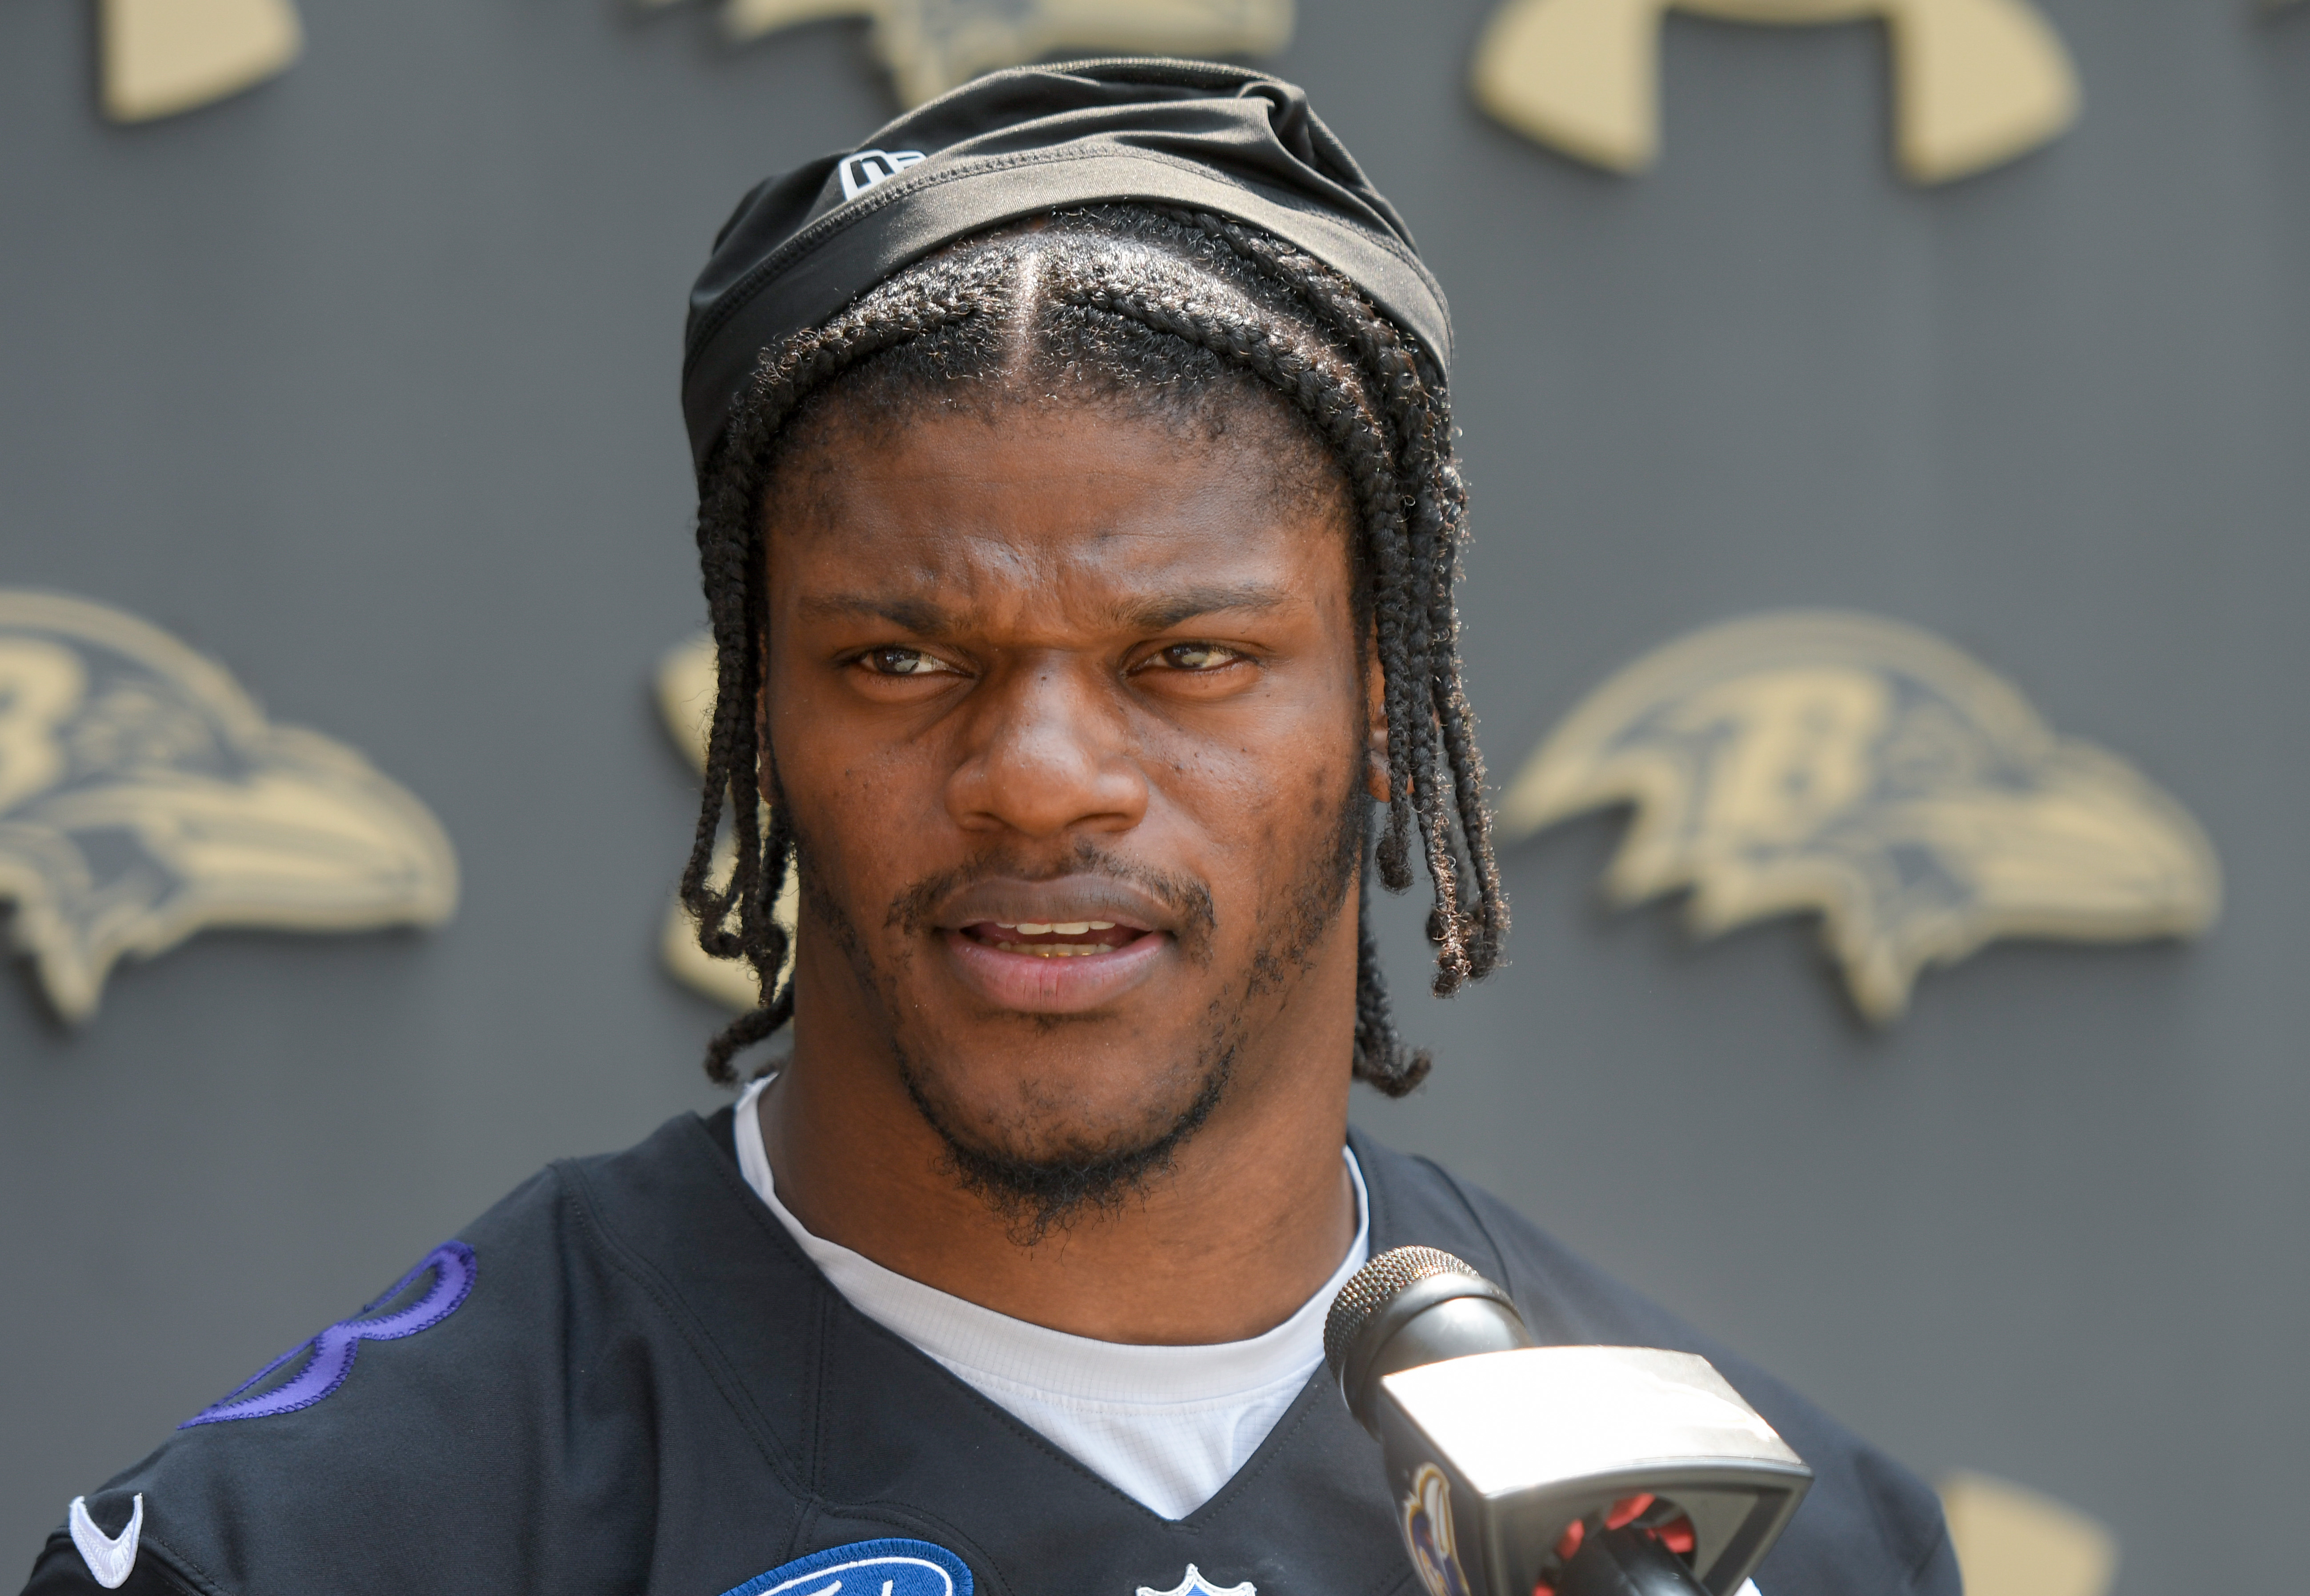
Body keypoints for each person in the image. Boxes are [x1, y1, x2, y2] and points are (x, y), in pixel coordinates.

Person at [24, 61, 1958, 1596]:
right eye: (898, 657)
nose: (1039, 771)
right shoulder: (332, 1542)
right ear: (760, 711)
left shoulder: (1752, 1549)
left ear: (1380, 705)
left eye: (1188, 655)